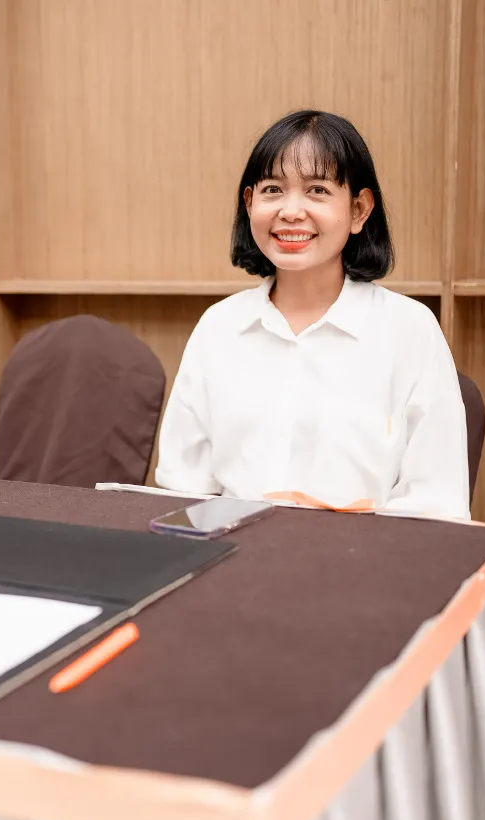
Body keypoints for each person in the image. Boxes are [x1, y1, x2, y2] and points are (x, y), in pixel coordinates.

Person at [155, 110, 469, 519]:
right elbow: (182, 490)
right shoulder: (218, 327)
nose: (290, 211)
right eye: (273, 190)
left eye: (317, 190)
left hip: (363, 568)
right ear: (249, 204)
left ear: (359, 210)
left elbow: (435, 505)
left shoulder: (409, 331)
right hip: (234, 565)